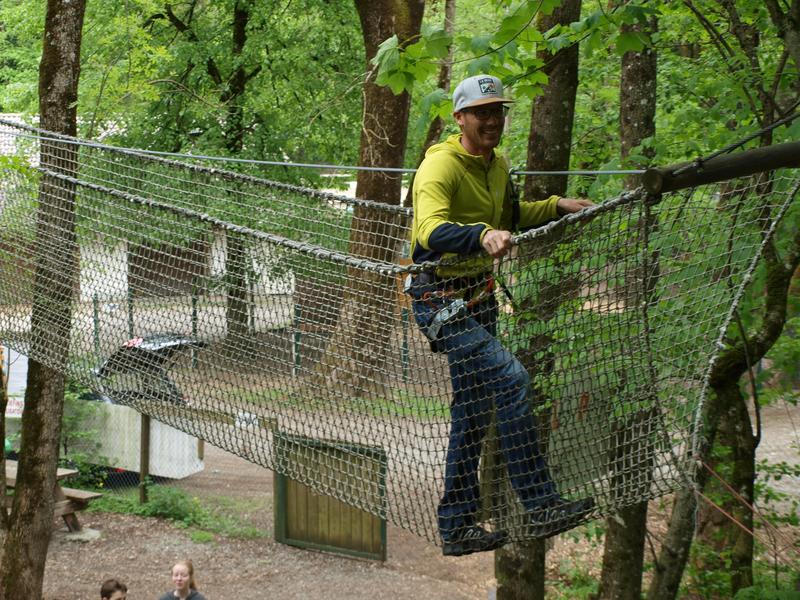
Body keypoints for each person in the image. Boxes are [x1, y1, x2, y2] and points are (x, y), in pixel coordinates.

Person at [408, 74, 596, 556]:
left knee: (472, 413)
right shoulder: (440, 165)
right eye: (482, 112)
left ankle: (456, 527)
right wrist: (480, 235)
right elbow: (429, 229)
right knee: (512, 380)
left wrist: (557, 206)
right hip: (439, 299)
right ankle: (540, 502)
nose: (493, 120)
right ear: (461, 118)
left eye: (498, 112)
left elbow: (510, 217)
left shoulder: (499, 164)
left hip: (479, 295)